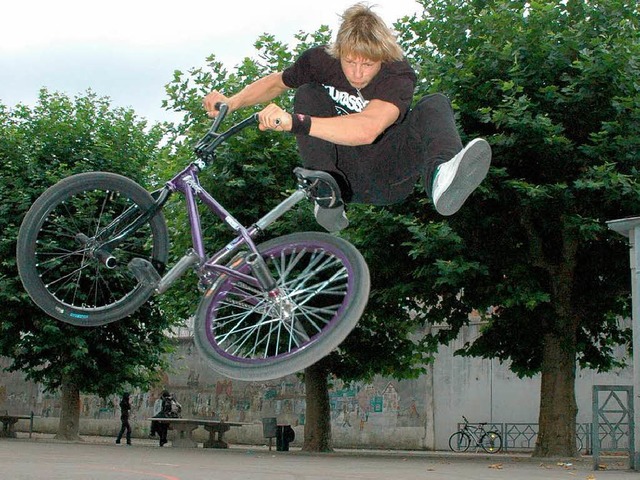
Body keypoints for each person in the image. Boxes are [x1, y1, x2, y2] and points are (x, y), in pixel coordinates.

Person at [203, 3, 491, 233]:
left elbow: (367, 129)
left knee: (434, 104)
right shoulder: (319, 61)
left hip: (389, 171)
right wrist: (231, 101)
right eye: (350, 61)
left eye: (368, 64)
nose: (357, 73)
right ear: (338, 52)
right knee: (308, 91)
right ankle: (326, 191)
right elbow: (277, 82)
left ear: (382, 57)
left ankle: (441, 177)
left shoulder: (397, 74)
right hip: (344, 173)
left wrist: (294, 122)